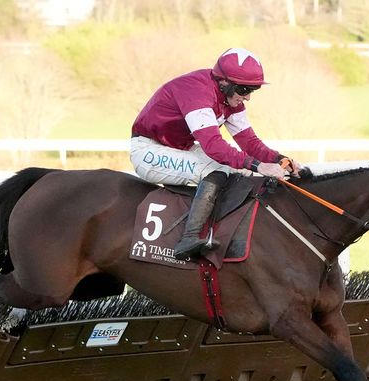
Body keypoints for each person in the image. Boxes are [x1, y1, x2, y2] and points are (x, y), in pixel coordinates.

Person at [130, 47, 303, 261]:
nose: (248, 97)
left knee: (237, 171)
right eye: (244, 89)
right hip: (148, 150)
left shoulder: (231, 100)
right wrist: (258, 165)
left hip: (179, 147)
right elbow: (213, 145)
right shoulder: (196, 91)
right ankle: (188, 238)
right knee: (215, 171)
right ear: (224, 82)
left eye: (253, 90)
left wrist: (279, 159)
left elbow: (249, 142)